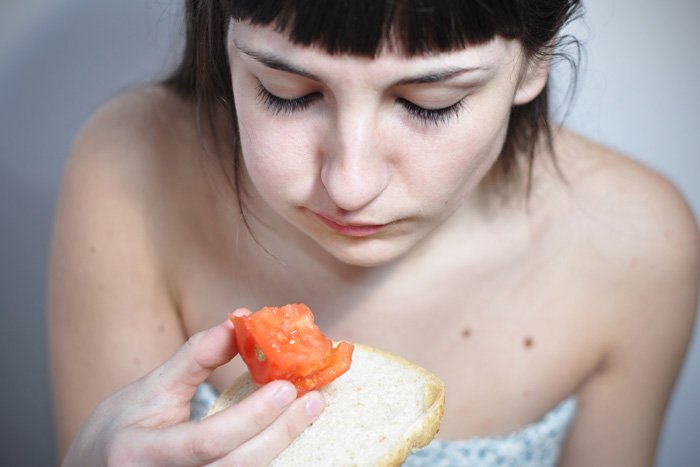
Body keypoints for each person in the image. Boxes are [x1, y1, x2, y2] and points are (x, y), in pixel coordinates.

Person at [49, 0, 700, 465]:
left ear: (535, 63)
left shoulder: (637, 245)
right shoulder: (132, 171)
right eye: (287, 91)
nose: (350, 183)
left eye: (429, 103)